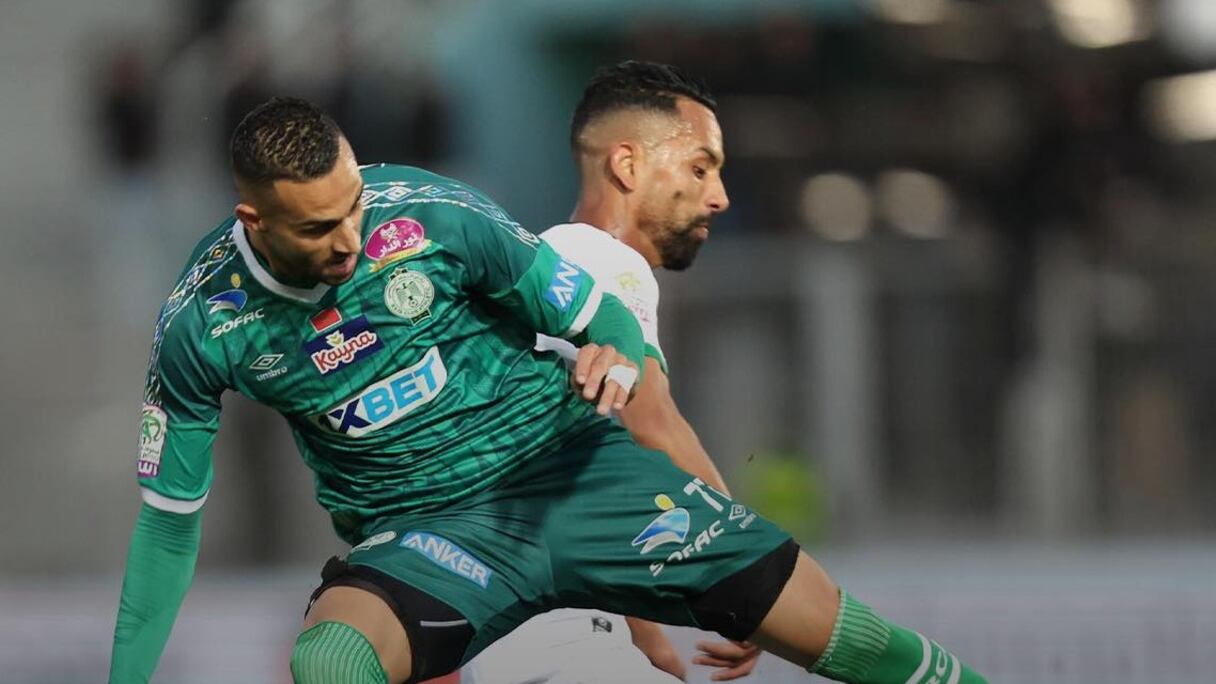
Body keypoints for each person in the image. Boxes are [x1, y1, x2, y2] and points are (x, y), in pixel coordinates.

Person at [108, 96, 987, 684]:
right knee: (327, 663)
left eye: (354, 206)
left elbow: (595, 316)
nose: (350, 239)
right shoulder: (202, 324)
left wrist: (616, 352)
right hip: (428, 535)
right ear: (253, 220)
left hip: (575, 476)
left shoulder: (433, 213)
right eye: (318, 227)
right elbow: (168, 527)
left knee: (844, 638)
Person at [464, 61, 758, 684]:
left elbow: (586, 478)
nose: (719, 196)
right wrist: (752, 575)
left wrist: (644, 637)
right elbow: (655, 427)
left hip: (532, 636)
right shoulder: (598, 260)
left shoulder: (554, 266)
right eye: (700, 167)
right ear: (627, 165)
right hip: (554, 642)